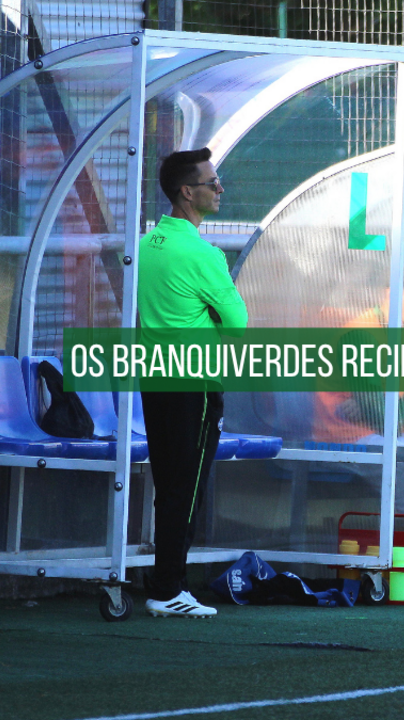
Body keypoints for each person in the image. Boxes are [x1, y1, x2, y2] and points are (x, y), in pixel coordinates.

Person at [139, 148, 248, 618]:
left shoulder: (146, 244)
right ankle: (168, 589)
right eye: (212, 182)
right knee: (185, 486)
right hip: (195, 383)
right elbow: (237, 325)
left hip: (154, 378)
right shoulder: (204, 254)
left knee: (169, 482)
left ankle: (166, 583)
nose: (220, 188)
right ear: (187, 192)